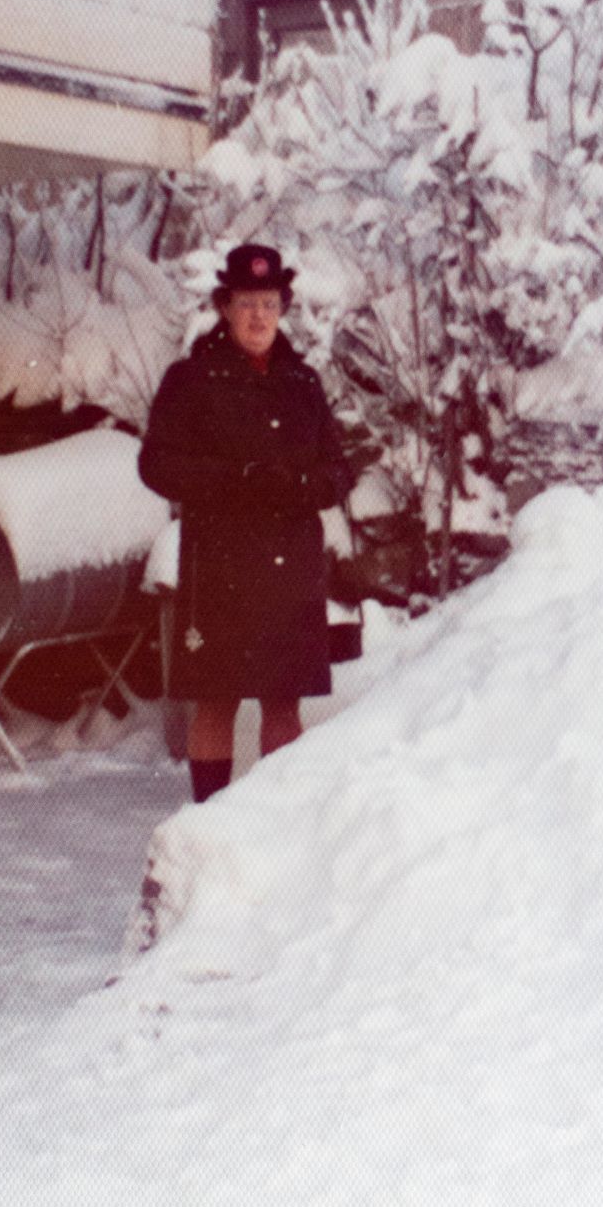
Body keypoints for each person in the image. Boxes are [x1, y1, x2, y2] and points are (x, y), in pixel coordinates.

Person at [138, 243, 353, 802]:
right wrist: (237, 479)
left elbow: (338, 470)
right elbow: (156, 465)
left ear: (282, 307)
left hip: (289, 566)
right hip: (220, 566)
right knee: (216, 699)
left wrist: (298, 486)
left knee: (284, 700)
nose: (259, 315)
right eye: (246, 303)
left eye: (269, 302)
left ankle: (274, 821)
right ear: (224, 307)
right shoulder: (190, 381)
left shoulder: (302, 384)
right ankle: (209, 819)